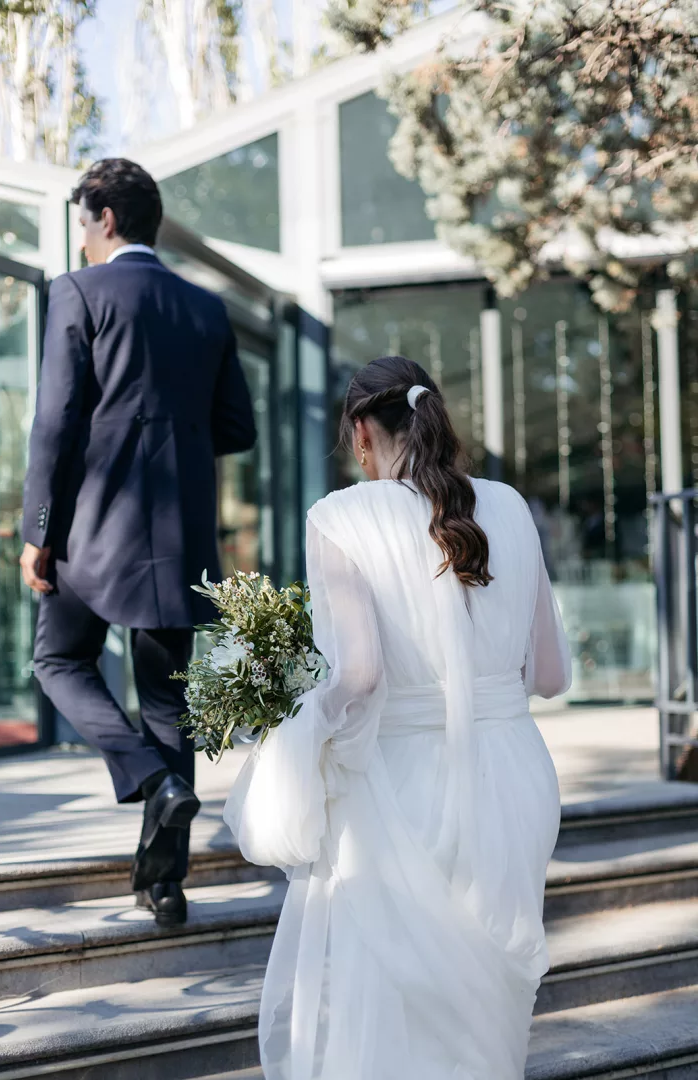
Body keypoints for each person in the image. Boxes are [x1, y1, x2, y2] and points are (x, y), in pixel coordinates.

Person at [224, 355, 571, 1079]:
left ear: (360, 433)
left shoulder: (341, 517)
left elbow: (360, 674)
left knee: (396, 1002)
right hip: (515, 777)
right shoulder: (510, 505)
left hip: (404, 783)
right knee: (489, 1010)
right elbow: (550, 675)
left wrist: (287, 712)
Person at [20, 159, 256, 927]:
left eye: (84, 222)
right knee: (167, 702)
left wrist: (38, 532)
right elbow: (237, 429)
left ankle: (150, 776)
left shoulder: (78, 291)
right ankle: (165, 887)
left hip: (93, 532)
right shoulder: (204, 308)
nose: (82, 237)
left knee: (58, 660)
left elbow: (55, 421)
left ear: (107, 219)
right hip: (179, 536)